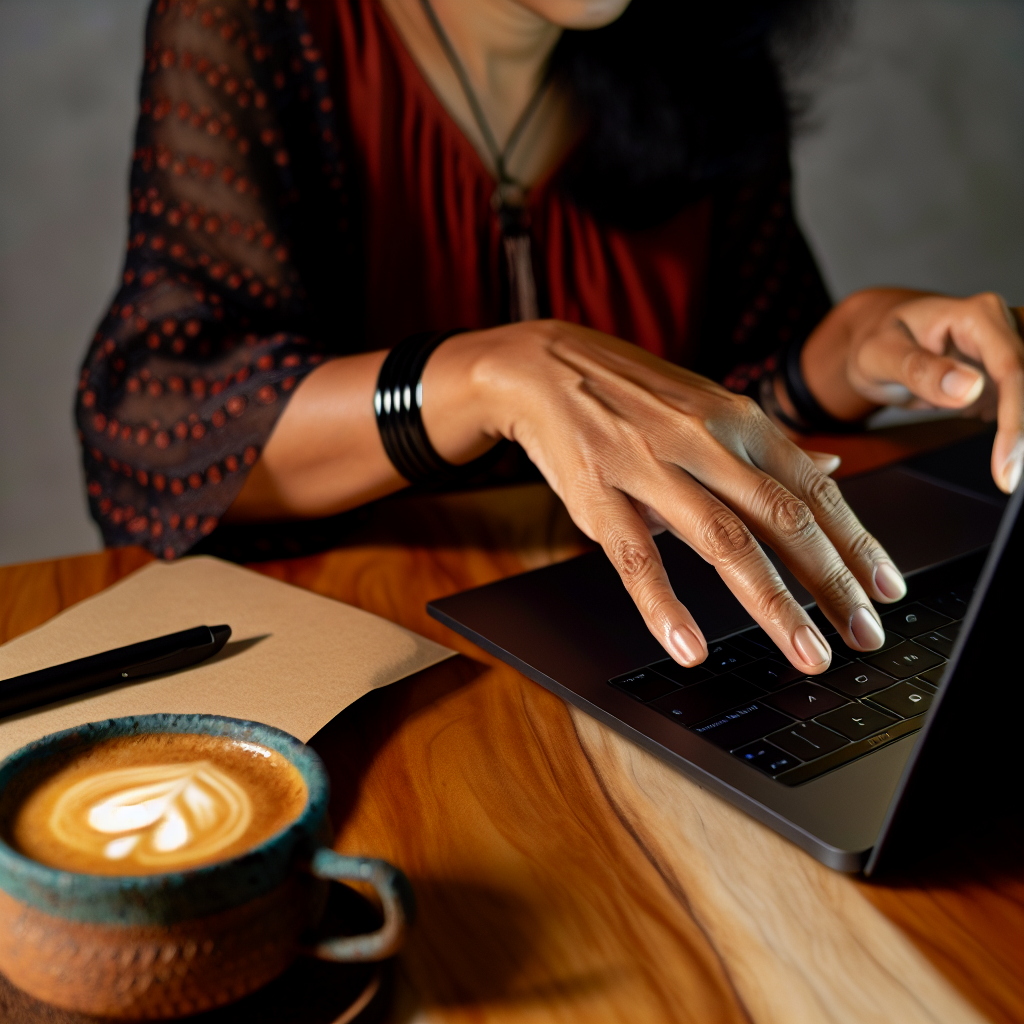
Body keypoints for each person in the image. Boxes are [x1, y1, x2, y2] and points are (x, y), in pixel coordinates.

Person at [76, 0, 1024, 676]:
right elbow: (153, 424)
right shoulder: (260, 22)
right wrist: (476, 378)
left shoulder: (702, 38)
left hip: (657, 664)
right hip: (374, 661)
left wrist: (843, 358)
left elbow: (727, 404)